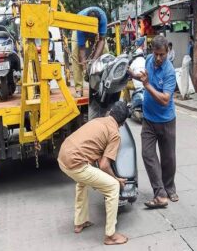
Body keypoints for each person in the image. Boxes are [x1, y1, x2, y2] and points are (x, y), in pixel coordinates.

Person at [58, 101, 130, 245]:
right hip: (76, 164)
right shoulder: (115, 134)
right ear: (122, 123)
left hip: (62, 157)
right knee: (113, 187)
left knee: (82, 183)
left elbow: (96, 154)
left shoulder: (99, 120)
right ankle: (111, 235)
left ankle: (80, 222)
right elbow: (104, 165)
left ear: (110, 113)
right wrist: (116, 179)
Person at [128, 35, 178, 208]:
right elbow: (142, 78)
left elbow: (165, 99)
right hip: (148, 119)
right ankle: (160, 192)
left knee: (168, 158)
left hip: (166, 120)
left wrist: (148, 85)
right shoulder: (148, 60)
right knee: (148, 154)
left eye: (162, 55)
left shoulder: (170, 71)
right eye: (156, 54)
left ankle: (169, 188)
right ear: (152, 51)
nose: (158, 58)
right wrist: (130, 73)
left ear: (167, 52)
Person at [71, 6, 109, 98]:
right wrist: (85, 68)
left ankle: (106, 86)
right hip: (81, 28)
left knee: (106, 53)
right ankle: (79, 89)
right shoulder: (80, 21)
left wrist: (94, 60)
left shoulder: (103, 18)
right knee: (75, 55)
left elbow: (102, 40)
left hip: (97, 33)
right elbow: (82, 48)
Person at [122, 37, 146, 103]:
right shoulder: (145, 61)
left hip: (137, 85)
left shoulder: (133, 63)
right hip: (145, 84)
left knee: (124, 86)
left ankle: (128, 102)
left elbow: (128, 72)